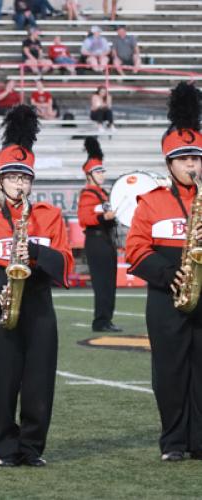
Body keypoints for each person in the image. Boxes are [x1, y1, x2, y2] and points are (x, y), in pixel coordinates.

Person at [0, 104, 73, 467]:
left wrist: (37, 250)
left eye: (25, 178)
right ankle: (4, 448)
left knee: (39, 384)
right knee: (1, 384)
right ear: (0, 181)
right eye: (12, 178)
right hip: (2, 305)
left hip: (39, 305)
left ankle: (31, 448)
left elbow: (65, 263)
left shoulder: (48, 216)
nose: (19, 184)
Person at [126, 82, 202, 462]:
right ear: (169, 164)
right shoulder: (152, 202)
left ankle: (200, 441)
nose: (192, 166)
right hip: (166, 296)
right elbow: (136, 250)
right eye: (184, 159)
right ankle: (173, 441)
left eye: (197, 158)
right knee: (170, 373)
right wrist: (167, 273)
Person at [77, 137, 121, 333]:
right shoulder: (88, 194)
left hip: (105, 240)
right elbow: (84, 217)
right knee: (102, 283)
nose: (102, 174)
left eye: (102, 170)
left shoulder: (103, 193)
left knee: (109, 282)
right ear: (89, 175)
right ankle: (100, 321)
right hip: (96, 241)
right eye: (98, 171)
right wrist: (104, 217)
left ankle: (107, 319)